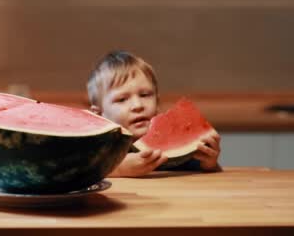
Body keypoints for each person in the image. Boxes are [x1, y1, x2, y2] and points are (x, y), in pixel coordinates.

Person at [87, 50, 221, 177]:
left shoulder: (179, 154)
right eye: (122, 99)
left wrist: (209, 164)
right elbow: (79, 173)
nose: (138, 106)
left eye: (145, 95)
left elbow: (206, 178)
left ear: (157, 103)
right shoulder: (98, 151)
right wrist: (119, 169)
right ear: (98, 114)